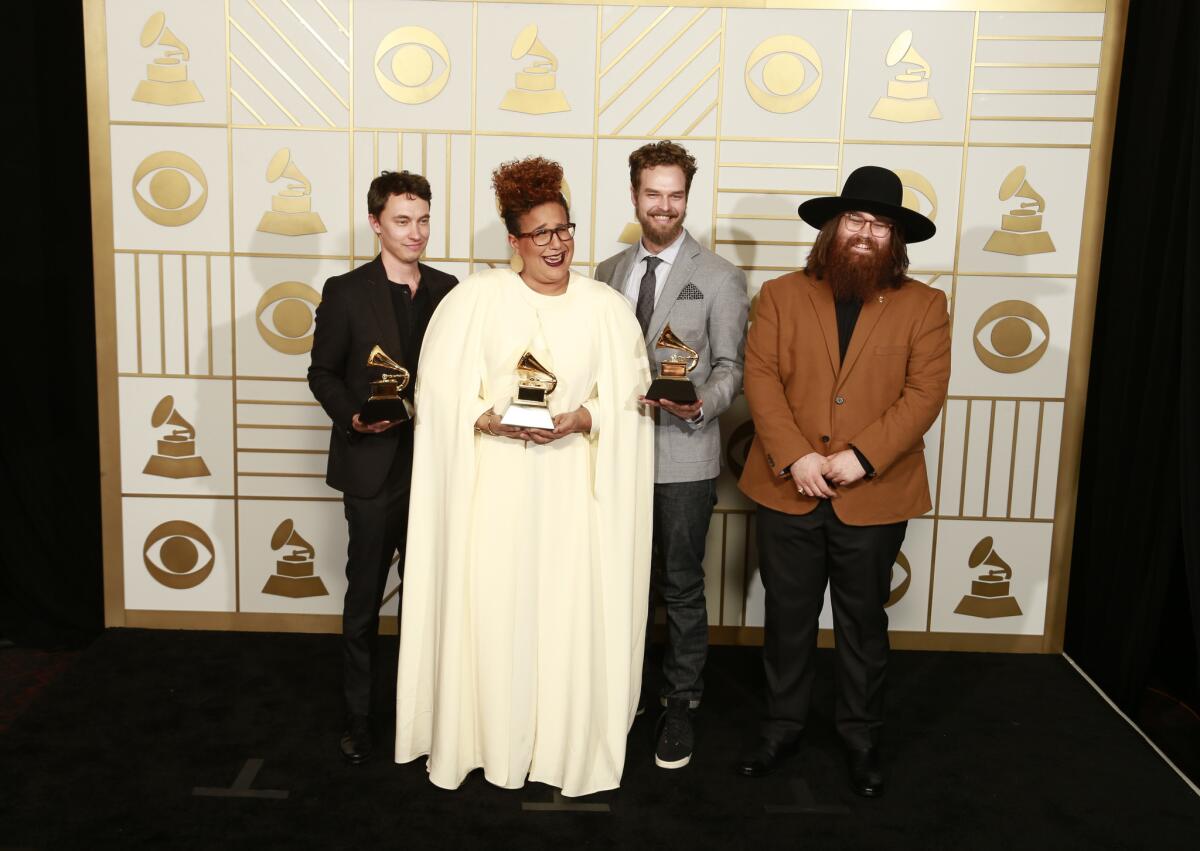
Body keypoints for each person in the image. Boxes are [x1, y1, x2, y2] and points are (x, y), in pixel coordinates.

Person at [394, 157, 654, 797]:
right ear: (514, 241)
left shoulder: (607, 308)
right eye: (540, 233)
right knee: (495, 606)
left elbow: (631, 398)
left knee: (564, 610)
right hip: (498, 494)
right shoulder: (474, 300)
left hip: (572, 495)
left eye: (564, 229)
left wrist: (580, 418)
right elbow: (439, 392)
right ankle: (485, 738)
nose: (557, 244)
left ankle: (561, 740)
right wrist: (488, 419)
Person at [736, 166, 950, 796]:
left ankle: (860, 737)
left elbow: (925, 393)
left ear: (896, 240)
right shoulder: (779, 294)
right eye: (855, 220)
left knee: (862, 623)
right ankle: (781, 728)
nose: (866, 232)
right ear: (833, 229)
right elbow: (762, 379)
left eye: (880, 224)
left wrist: (863, 455)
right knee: (788, 617)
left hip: (875, 492)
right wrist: (796, 456)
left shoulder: (925, 305)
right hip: (787, 487)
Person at [595, 141, 749, 770]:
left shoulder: (720, 277)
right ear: (634, 196)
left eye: (676, 194)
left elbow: (730, 366)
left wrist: (701, 405)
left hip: (683, 458)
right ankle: (616, 697)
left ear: (688, 197)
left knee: (680, 586)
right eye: (653, 194)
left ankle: (678, 705)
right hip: (611, 456)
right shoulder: (605, 273)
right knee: (614, 584)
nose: (664, 206)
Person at [308, 170, 458, 764]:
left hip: (439, 471)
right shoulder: (345, 291)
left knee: (433, 601)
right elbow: (322, 372)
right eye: (402, 220)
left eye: (422, 219)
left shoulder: (450, 289)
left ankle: (426, 721)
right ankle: (359, 716)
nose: (415, 231)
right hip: (372, 468)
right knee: (365, 597)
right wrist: (353, 419)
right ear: (376, 223)